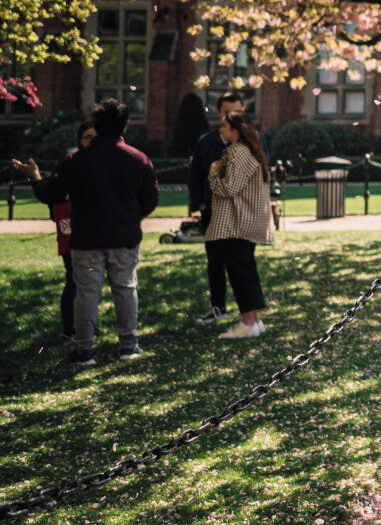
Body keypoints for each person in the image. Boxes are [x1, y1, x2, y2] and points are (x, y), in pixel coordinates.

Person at [13, 99, 159, 365]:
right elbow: (150, 200)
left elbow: (51, 194)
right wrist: (129, 217)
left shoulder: (76, 160)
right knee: (125, 289)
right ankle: (128, 346)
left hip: (86, 240)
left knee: (87, 294)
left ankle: (84, 351)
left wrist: (35, 176)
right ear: (124, 125)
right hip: (123, 238)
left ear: (97, 125)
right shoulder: (139, 160)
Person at [205, 110, 274, 339]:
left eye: (224, 126)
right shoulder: (252, 150)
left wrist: (213, 173)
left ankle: (247, 322)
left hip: (236, 222)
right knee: (247, 271)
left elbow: (228, 188)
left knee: (239, 273)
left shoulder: (238, 152)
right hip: (247, 221)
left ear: (236, 129)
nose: (221, 130)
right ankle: (253, 321)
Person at [189, 92, 246, 325]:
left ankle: (247, 310)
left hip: (242, 212)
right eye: (228, 112)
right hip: (213, 211)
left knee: (242, 261)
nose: (232, 117)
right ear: (219, 113)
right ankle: (218, 307)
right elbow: (195, 176)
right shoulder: (206, 141)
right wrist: (200, 202)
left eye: (237, 112)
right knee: (215, 261)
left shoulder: (252, 140)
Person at [48, 120, 96, 341]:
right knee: (74, 278)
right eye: (88, 137)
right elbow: (53, 195)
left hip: (94, 230)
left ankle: (87, 325)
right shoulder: (68, 162)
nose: (91, 141)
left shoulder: (102, 162)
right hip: (71, 229)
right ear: (80, 139)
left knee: (91, 280)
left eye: (95, 137)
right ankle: (70, 327)